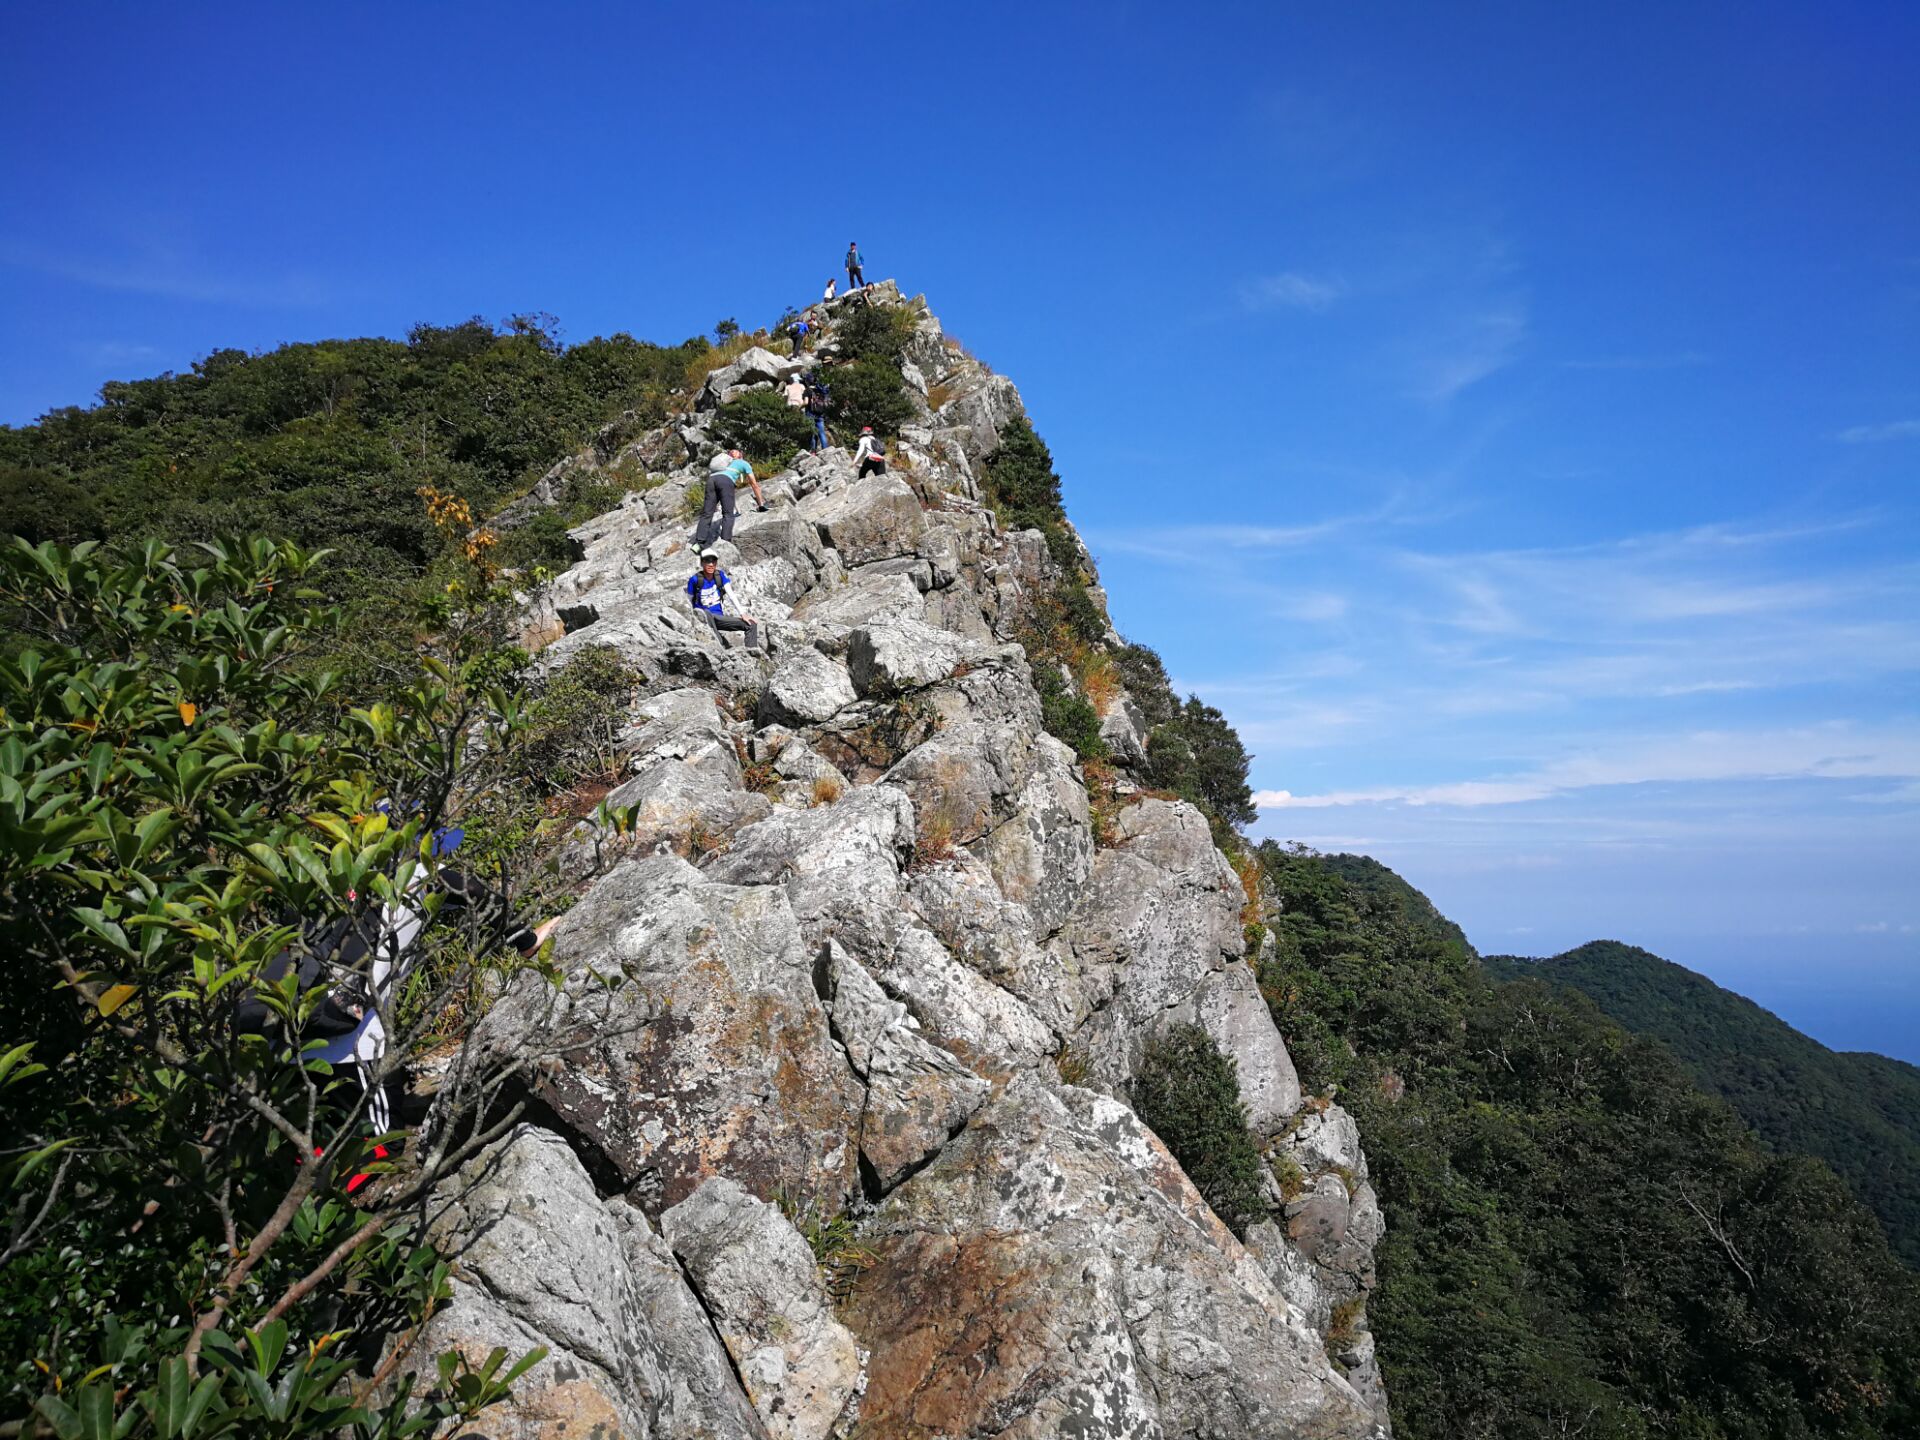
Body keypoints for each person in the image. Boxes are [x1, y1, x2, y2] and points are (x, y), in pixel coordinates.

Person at [686, 551, 761, 653]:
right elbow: (689, 601)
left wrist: (743, 614)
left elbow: (731, 595)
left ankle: (751, 655)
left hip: (719, 618)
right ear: (702, 563)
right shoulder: (694, 580)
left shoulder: (720, 576)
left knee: (751, 624)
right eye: (707, 561)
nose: (711, 564)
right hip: (704, 619)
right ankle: (720, 647)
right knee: (706, 613)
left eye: (714, 561)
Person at [696, 449, 765, 544]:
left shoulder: (724, 463)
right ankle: (726, 542)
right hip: (725, 481)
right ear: (741, 455)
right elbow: (754, 484)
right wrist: (761, 505)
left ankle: (699, 543)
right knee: (728, 514)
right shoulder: (743, 463)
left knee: (707, 513)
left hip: (711, 480)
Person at [804, 380, 832, 451]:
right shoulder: (820, 390)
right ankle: (825, 450)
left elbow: (806, 402)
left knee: (812, 433)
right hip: (820, 415)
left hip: (810, 414)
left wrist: (799, 407)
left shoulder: (807, 390)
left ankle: (813, 451)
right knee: (822, 433)